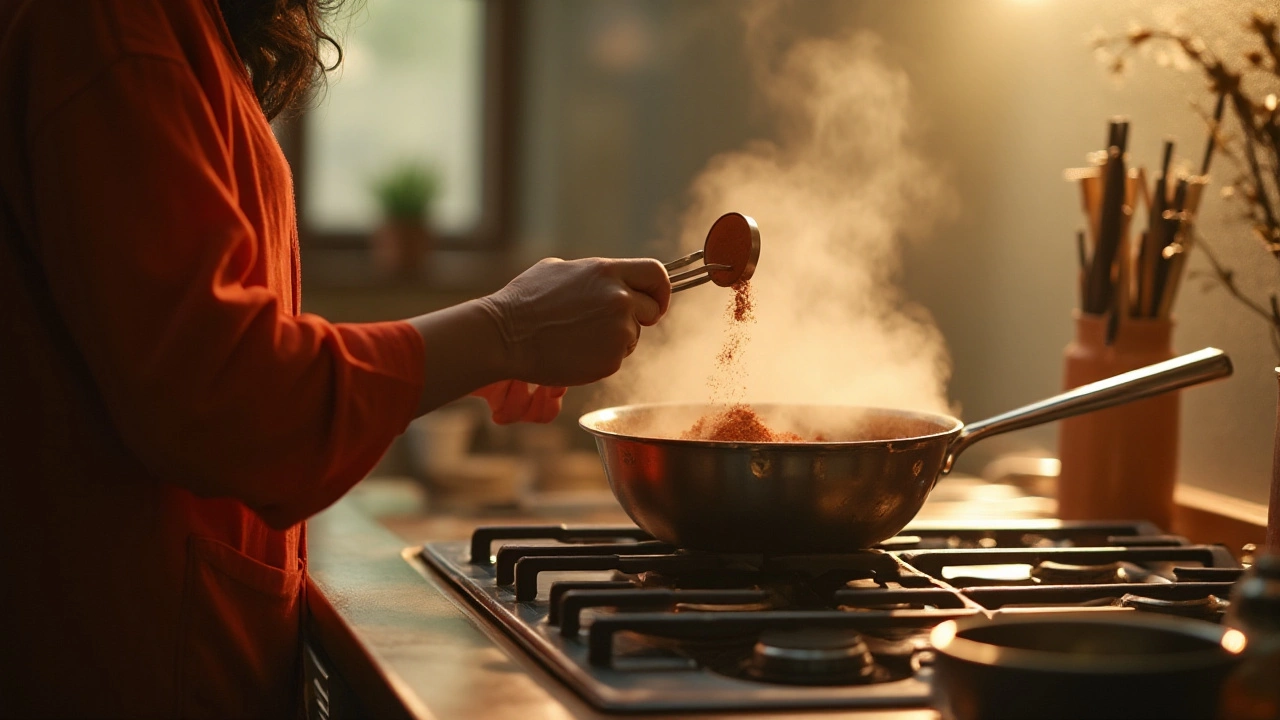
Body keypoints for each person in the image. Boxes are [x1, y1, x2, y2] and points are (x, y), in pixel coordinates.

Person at [0, 0, 671, 717]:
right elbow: (224, 398)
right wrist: (504, 330)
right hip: (118, 672)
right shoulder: (112, 26)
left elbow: (212, 348)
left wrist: (468, 355)